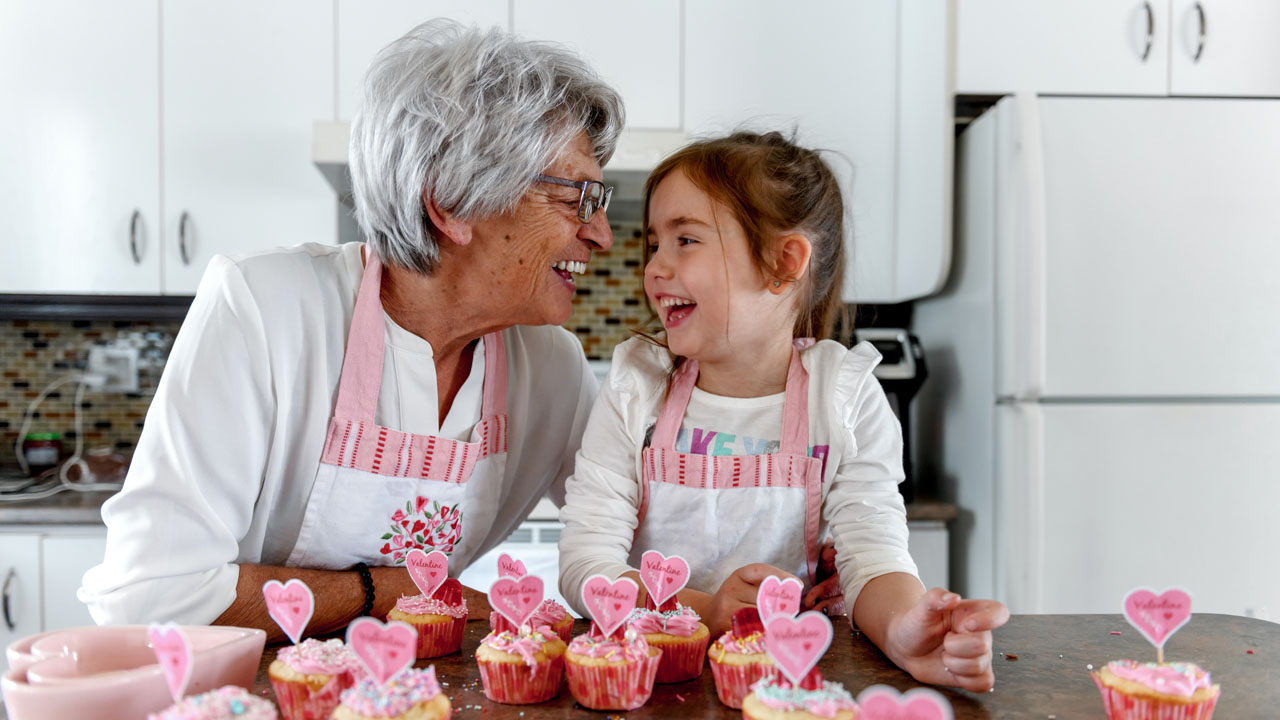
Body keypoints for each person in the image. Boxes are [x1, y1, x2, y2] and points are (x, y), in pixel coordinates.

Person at [79, 19, 624, 642]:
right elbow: (148, 592)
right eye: (577, 197)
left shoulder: (549, 364)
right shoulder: (265, 310)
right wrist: (381, 592)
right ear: (449, 200)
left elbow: (637, 530)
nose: (601, 234)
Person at [557, 131, 1009, 691]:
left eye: (686, 241)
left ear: (783, 262)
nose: (654, 268)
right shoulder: (637, 385)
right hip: (650, 685)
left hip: (792, 683)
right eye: (655, 244)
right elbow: (586, 562)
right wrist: (703, 609)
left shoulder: (842, 398)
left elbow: (874, 556)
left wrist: (904, 631)